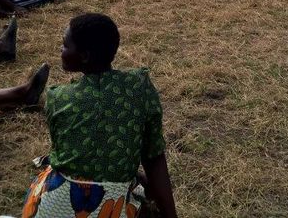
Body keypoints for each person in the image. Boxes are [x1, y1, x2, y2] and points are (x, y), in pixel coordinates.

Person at [22, 13, 177, 218]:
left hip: (56, 205)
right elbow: (154, 157)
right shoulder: (139, 87)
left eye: (65, 45)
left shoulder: (57, 97)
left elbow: (69, 152)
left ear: (84, 56)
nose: (61, 49)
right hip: (116, 206)